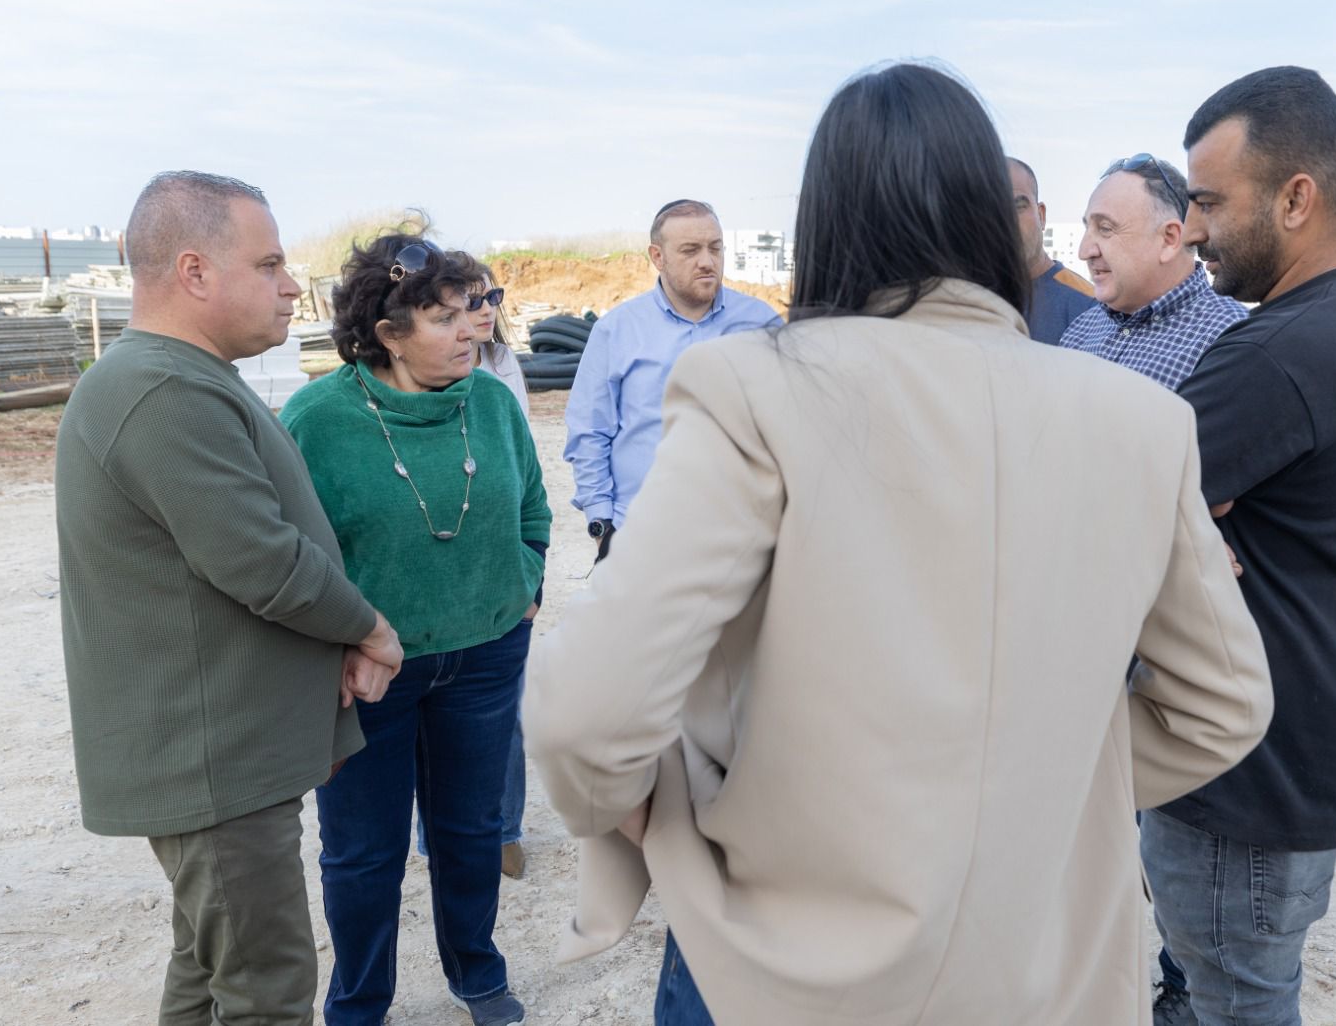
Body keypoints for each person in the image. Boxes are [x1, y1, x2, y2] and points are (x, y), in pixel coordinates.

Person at [524, 62, 1274, 1026]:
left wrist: (659, 815)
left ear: (823, 219)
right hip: (1047, 974)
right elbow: (1222, 706)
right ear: (994, 218)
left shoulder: (755, 387)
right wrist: (1023, 772)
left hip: (787, 967)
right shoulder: (1140, 422)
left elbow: (585, 711)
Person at [55, 170, 404, 1026]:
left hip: (224, 758)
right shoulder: (162, 391)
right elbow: (264, 562)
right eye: (271, 264)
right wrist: (370, 629)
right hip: (213, 768)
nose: (290, 287)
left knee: (210, 975)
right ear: (195, 271)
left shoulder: (183, 378)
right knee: (266, 991)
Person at [1143, 66, 1336, 1026]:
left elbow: (1109, 505)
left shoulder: (1279, 354)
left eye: (1211, 201)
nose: (1196, 228)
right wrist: (1183, 524)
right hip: (1303, 754)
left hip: (1240, 787)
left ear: (1297, 197)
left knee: (1236, 1004)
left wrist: (1167, 528)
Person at [280, 234, 551, 1026]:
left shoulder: (494, 402)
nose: (474, 329)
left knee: (471, 830)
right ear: (387, 330)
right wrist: (336, 644)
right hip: (370, 672)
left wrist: (526, 581)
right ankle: (360, 1001)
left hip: (488, 655)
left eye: (479, 307)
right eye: (447, 316)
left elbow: (533, 503)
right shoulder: (318, 420)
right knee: (364, 853)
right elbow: (293, 553)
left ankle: (478, 972)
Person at [563, 200, 781, 559]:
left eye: (715, 248)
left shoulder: (762, 325)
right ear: (657, 256)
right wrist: (602, 527)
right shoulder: (616, 331)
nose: (707, 261)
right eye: (690, 250)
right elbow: (589, 431)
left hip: (740, 539)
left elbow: (787, 427)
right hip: (640, 539)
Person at [416, 269, 534, 880]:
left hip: (499, 584)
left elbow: (527, 483)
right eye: (464, 304)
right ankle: (436, 836)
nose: (482, 313)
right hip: (440, 592)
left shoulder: (500, 366)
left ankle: (503, 830)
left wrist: (529, 578)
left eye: (490, 299)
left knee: (501, 718)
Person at [1061, 154, 1246, 388]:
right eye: (1088, 228)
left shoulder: (1232, 341)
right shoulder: (1079, 331)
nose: (1084, 251)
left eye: (1105, 228)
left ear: (1169, 239)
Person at [1008, 156, 1095, 343]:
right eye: (993, 210)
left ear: (1041, 215)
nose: (1007, 221)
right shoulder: (963, 302)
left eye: (1017, 207)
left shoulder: (1090, 306)